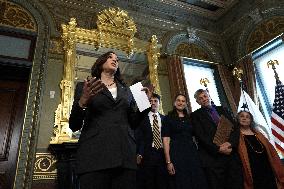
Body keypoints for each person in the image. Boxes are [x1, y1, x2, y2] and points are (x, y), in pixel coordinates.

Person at [69, 51, 151, 189]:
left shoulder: (127, 91)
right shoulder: (86, 87)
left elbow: (133, 123)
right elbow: (74, 125)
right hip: (95, 156)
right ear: (100, 62)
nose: (114, 60)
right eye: (110, 57)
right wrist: (82, 102)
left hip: (125, 155)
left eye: (117, 59)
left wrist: (145, 105)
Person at [191, 89, 243, 189]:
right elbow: (200, 136)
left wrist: (230, 143)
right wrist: (218, 149)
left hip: (231, 155)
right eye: (200, 98)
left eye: (205, 96)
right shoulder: (195, 116)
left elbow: (235, 128)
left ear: (209, 96)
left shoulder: (223, 109)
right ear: (198, 102)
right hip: (213, 159)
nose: (204, 99)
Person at [162, 94, 208, 189]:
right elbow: (166, 140)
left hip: (192, 153)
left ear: (186, 104)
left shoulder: (190, 118)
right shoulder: (168, 118)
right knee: (182, 181)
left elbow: (198, 135)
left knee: (197, 180)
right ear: (175, 103)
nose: (180, 102)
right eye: (178, 100)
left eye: (183, 101)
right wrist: (168, 162)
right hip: (176, 154)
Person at [237, 110, 284, 189]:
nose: (244, 118)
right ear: (238, 119)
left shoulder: (259, 134)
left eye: (247, 117)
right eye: (242, 116)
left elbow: (272, 152)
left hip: (267, 169)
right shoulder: (236, 136)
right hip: (252, 172)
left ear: (251, 121)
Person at [135, 93, 169, 189]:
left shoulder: (165, 119)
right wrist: (139, 153)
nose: (153, 103)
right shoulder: (142, 119)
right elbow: (139, 137)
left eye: (155, 101)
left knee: (163, 182)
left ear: (159, 103)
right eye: (150, 101)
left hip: (162, 154)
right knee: (149, 183)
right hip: (148, 154)